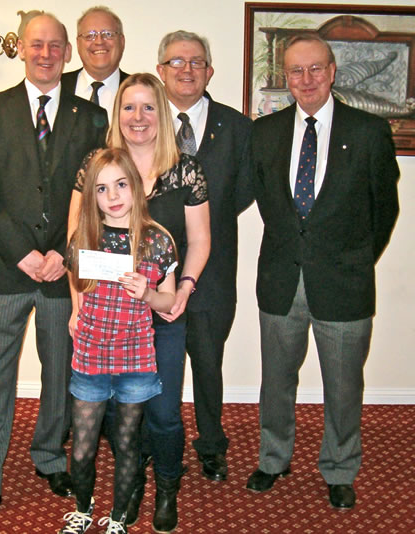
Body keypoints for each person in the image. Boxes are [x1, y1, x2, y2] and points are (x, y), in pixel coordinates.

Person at [0, 13, 108, 529]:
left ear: (67, 53)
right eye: (36, 45)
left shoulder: (91, 116)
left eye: (55, 46)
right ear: (22, 51)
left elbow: (97, 196)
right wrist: (23, 253)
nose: (45, 53)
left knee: (60, 374)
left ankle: (49, 460)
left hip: (63, 270)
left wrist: (62, 250)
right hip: (2, 268)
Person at [246, 34, 400, 509]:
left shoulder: (370, 131)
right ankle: (273, 459)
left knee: (344, 385)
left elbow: (384, 211)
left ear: (332, 71)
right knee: (276, 380)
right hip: (279, 280)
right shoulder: (264, 132)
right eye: (296, 71)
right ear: (285, 78)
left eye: (315, 69)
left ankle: (339, 467)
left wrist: (353, 258)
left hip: (345, 284)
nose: (306, 79)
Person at [69, 73, 210, 533]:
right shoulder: (98, 163)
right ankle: (129, 492)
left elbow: (200, 240)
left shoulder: (186, 168)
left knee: (165, 413)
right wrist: (76, 307)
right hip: (104, 320)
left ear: (162, 113)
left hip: (162, 311)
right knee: (114, 417)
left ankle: (167, 487)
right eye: (129, 107)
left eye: (149, 107)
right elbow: (78, 246)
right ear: (117, 114)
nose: (138, 117)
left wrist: (181, 293)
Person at [59, 147, 177, 534]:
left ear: (137, 186)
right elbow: (77, 280)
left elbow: (169, 300)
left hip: (136, 358)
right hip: (91, 354)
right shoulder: (84, 236)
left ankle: (120, 518)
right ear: (91, 195)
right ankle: (82, 508)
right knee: (82, 447)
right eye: (102, 188)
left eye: (121, 185)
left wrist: (147, 293)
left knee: (127, 443)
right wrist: (77, 312)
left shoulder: (157, 241)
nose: (112, 197)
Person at [156, 30, 253, 483]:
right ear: (161, 72)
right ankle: (159, 439)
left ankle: (212, 445)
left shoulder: (236, 127)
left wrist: (199, 228)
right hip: (153, 272)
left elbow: (244, 189)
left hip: (213, 268)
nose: (187, 70)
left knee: (208, 362)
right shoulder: (144, 122)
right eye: (177, 62)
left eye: (196, 62)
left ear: (210, 71)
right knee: (157, 362)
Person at [61, 6, 128, 122]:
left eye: (108, 34)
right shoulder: (58, 87)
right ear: (78, 44)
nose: (99, 41)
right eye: (90, 35)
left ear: (122, 42)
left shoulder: (140, 90)